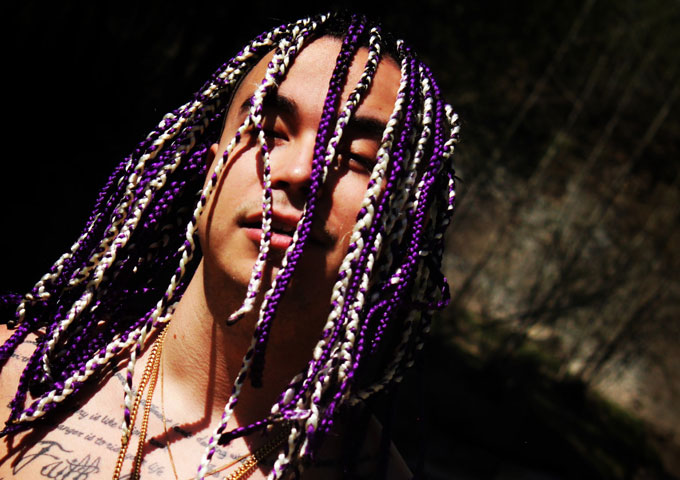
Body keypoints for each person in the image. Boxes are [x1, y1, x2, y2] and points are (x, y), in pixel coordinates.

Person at [0, 12, 458, 480]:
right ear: (209, 168)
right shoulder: (14, 379)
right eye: (269, 131)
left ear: (401, 222)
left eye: (358, 158)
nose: (301, 172)